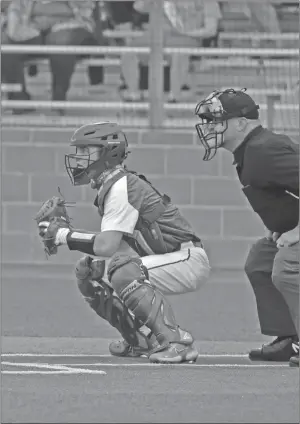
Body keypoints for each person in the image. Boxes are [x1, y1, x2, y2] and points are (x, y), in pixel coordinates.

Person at [37, 121, 210, 364]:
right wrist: (73, 240)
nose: (80, 158)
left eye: (87, 151)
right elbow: (116, 245)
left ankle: (177, 342)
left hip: (188, 258)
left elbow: (106, 245)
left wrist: (64, 235)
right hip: (167, 257)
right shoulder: (114, 185)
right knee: (88, 272)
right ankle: (140, 341)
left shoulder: (121, 186)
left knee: (122, 271)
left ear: (109, 152)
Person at [194, 88, 299, 367]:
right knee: (261, 260)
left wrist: (298, 231)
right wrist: (285, 222)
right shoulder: (252, 149)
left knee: (288, 265)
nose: (209, 127)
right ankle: (291, 338)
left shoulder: (264, 150)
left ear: (241, 123)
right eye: (208, 121)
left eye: (216, 120)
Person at [1, 0, 104, 115]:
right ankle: (18, 99)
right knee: (5, 43)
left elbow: (85, 9)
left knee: (60, 41)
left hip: (72, 23)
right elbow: (15, 6)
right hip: (33, 24)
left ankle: (58, 100)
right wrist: (14, 24)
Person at [120, 0, 221, 102]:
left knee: (179, 54)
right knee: (129, 52)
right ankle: (134, 94)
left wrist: (186, 33)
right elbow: (138, 7)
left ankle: (174, 96)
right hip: (156, 37)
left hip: (187, 38)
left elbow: (211, 30)